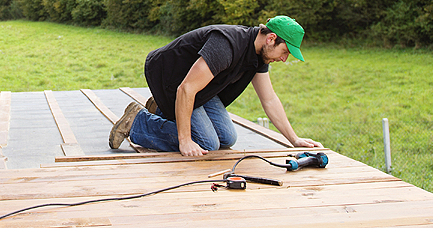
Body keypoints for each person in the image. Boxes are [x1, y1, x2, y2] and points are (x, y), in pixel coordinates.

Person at [109, 15, 322, 155]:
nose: (284, 59)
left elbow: (269, 99)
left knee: (227, 137)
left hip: (201, 88)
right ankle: (138, 122)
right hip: (172, 78)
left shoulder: (258, 57)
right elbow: (186, 88)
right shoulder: (228, 45)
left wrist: (294, 140)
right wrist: (184, 140)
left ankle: (164, 111)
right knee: (207, 143)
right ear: (271, 39)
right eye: (285, 52)